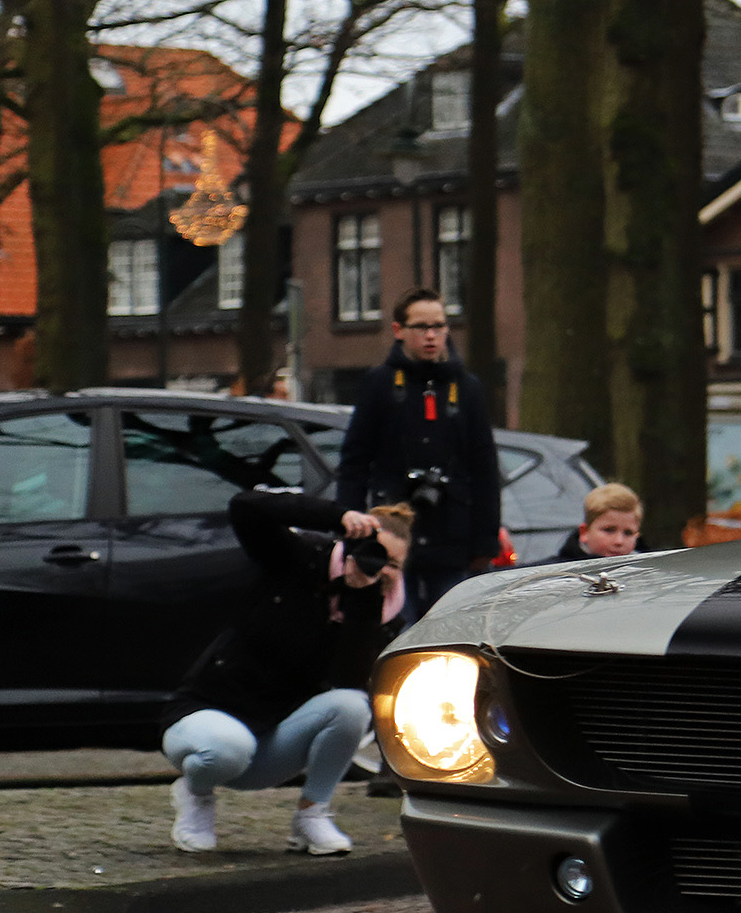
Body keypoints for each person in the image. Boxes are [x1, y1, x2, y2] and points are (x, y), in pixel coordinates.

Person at [161, 492, 414, 854]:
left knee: (354, 706)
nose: (382, 569)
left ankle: (312, 815)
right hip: (204, 715)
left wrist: (361, 600)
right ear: (349, 544)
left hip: (271, 742)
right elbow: (245, 507)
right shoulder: (297, 558)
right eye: (375, 554)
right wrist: (337, 516)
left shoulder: (382, 610)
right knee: (229, 748)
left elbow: (348, 680)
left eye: (394, 564)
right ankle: (195, 794)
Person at [338, 287, 500, 619]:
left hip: (453, 534)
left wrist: (485, 541)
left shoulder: (466, 389)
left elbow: (484, 467)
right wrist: (350, 524)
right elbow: (355, 460)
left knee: (450, 632)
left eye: (439, 326)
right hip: (392, 537)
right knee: (398, 631)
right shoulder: (379, 384)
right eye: (421, 327)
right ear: (399, 331)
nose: (431, 336)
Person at [553, 482, 646, 561]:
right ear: (584, 532)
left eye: (628, 533)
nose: (619, 541)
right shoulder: (551, 575)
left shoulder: (649, 573)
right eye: (609, 530)